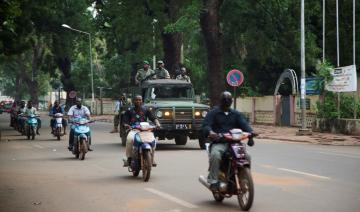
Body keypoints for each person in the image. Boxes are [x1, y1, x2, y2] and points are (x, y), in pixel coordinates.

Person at [202, 91, 255, 191]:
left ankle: (243, 176)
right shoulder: (213, 113)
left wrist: (251, 132)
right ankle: (213, 180)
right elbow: (206, 125)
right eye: (224, 100)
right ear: (220, 101)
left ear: (231, 101)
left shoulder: (236, 114)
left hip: (235, 143)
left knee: (247, 156)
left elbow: (245, 125)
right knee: (215, 155)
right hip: (220, 142)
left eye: (228, 100)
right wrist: (211, 132)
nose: (226, 102)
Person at [122, 95, 160, 166]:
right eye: (136, 100)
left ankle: (151, 158)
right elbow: (125, 121)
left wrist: (157, 123)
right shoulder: (129, 110)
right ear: (133, 101)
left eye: (140, 100)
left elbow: (153, 118)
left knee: (153, 141)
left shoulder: (146, 109)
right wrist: (126, 125)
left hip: (145, 130)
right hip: (134, 130)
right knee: (129, 140)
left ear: (142, 101)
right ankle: (129, 158)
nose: (138, 101)